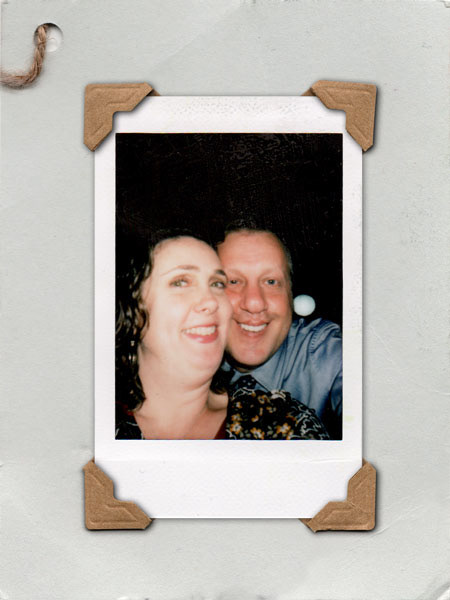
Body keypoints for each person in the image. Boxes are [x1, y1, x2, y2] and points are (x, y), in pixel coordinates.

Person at [115, 230, 329, 440]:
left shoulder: (284, 426)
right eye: (181, 282)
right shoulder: (99, 422)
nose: (211, 300)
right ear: (131, 310)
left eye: (217, 284)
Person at [217, 226, 342, 439]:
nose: (255, 303)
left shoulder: (325, 352)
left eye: (271, 282)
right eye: (233, 282)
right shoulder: (179, 365)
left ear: (291, 295)